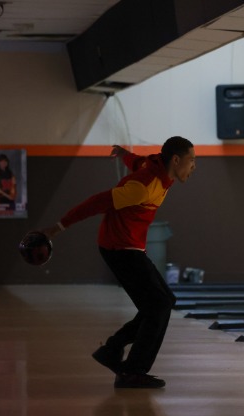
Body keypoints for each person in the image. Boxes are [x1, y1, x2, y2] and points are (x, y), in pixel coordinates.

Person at [40, 137, 196, 389]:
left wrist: (123, 153)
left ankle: (112, 350)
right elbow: (96, 203)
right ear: (176, 160)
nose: (194, 167)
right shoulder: (144, 186)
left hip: (128, 247)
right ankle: (131, 371)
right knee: (157, 306)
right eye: (192, 161)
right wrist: (58, 227)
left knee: (163, 302)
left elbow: (138, 162)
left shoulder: (154, 166)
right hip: (120, 249)